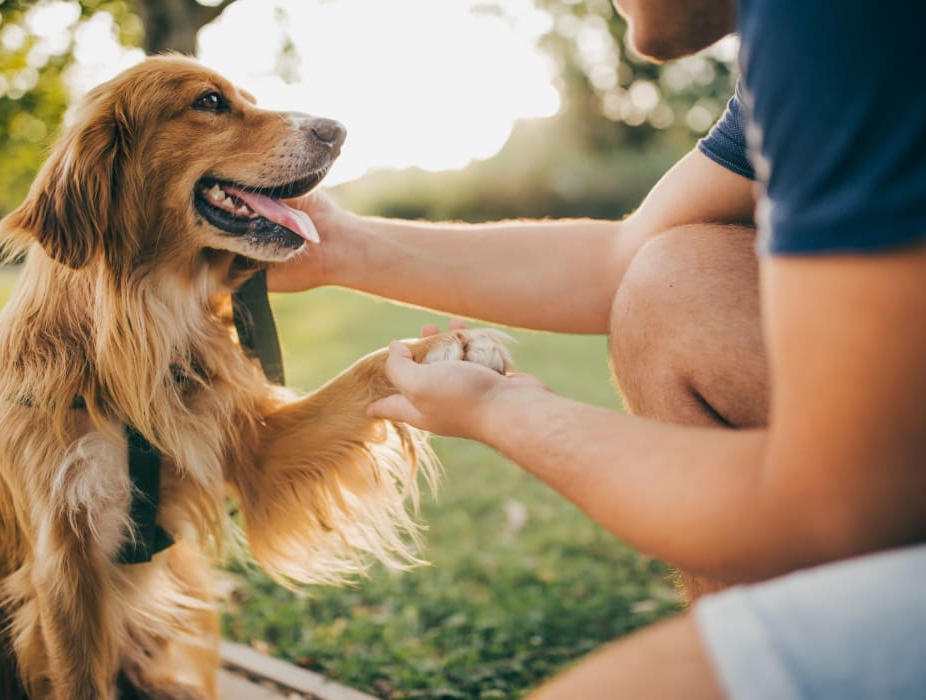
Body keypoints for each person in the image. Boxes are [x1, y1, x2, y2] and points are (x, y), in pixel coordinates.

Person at [271, 1, 926, 696]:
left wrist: (503, 412)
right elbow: (625, 254)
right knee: (676, 280)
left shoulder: (837, 20)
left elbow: (830, 502)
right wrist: (336, 247)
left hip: (855, 505)